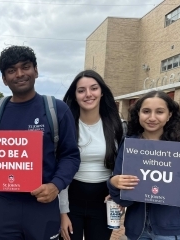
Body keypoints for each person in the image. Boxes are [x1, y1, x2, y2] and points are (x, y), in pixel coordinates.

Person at [0, 45, 81, 240]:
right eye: (11, 70)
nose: (20, 74)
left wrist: (56, 185)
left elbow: (70, 156)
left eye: (25, 67)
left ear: (36, 71)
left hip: (42, 205)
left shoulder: (56, 110)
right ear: (4, 79)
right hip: (4, 207)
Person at [108, 90, 180, 240]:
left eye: (159, 112)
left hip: (172, 231)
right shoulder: (129, 145)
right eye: (146, 111)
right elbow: (123, 200)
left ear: (169, 115)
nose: (152, 117)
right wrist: (114, 183)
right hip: (137, 230)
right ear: (138, 113)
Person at [59, 70, 123, 240]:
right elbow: (61, 168)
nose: (88, 94)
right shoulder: (66, 125)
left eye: (93, 88)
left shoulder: (116, 125)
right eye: (81, 90)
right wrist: (62, 212)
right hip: (72, 199)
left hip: (103, 201)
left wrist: (119, 196)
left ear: (102, 91)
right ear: (75, 95)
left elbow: (123, 164)